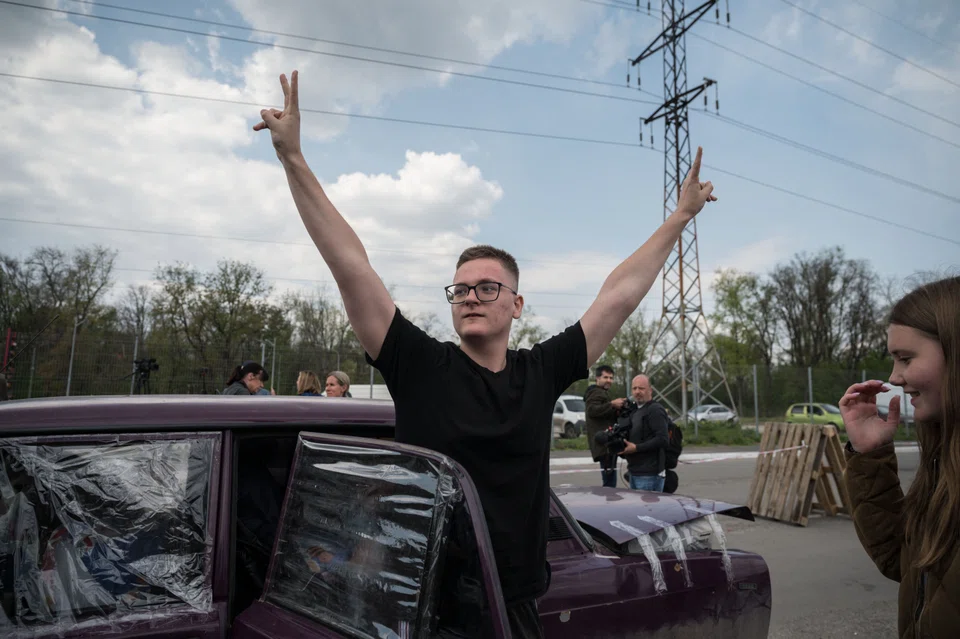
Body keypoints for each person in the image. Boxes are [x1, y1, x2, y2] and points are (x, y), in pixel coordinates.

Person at [254, 70, 717, 637]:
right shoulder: (420, 365)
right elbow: (351, 263)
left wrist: (679, 218)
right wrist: (293, 158)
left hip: (514, 605)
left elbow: (618, 296)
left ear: (517, 304)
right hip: (427, 608)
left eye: (487, 287)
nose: (471, 296)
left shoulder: (541, 371)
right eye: (461, 289)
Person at [839, 275, 958, 638]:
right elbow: (905, 563)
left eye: (905, 358)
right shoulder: (944, 458)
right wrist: (870, 454)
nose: (895, 377)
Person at [620, 374, 668, 492]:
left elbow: (663, 439)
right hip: (634, 472)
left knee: (649, 511)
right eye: (634, 388)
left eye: (641, 388)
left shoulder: (655, 410)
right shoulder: (634, 410)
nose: (637, 392)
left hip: (650, 474)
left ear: (650, 390)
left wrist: (636, 448)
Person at [584, 365, 625, 487]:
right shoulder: (596, 392)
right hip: (604, 445)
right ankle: (608, 504)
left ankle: (609, 502)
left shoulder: (601, 392)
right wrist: (612, 404)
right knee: (609, 484)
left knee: (609, 482)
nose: (609, 380)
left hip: (606, 444)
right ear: (597, 378)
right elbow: (592, 410)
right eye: (605, 377)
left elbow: (602, 413)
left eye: (611, 378)